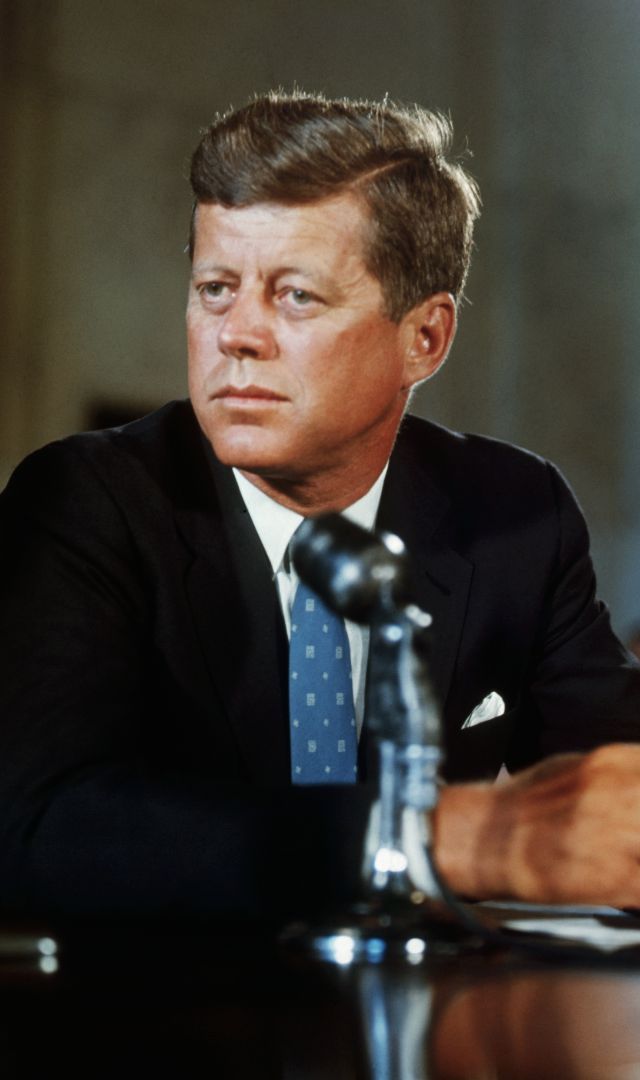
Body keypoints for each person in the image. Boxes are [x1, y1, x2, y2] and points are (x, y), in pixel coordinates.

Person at [1, 91, 640, 920]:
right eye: (216, 288)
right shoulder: (85, 505)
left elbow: (618, 789)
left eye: (294, 295)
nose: (237, 333)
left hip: (432, 1037)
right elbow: (37, 830)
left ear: (426, 339)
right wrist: (438, 836)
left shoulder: (517, 514)